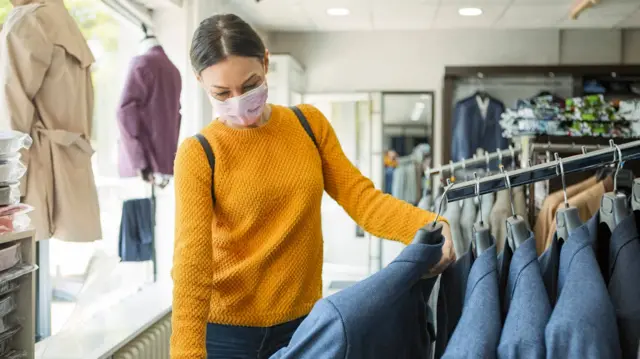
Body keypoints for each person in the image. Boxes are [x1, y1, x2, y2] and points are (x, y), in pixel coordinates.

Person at [171, 13, 454, 359]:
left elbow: (363, 201)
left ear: (265, 61)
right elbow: (192, 264)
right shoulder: (199, 154)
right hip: (226, 335)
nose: (239, 104)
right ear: (200, 81)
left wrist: (428, 225)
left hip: (303, 328)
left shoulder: (308, 125)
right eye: (222, 93)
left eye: (249, 86)